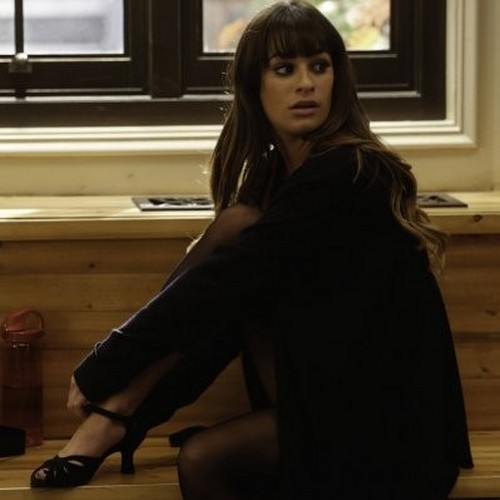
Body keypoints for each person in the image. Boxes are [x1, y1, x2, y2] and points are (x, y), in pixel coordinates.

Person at [30, 1, 473, 498]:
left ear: (338, 80)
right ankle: (121, 416)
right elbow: (223, 302)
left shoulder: (350, 172)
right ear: (252, 85)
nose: (306, 84)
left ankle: (118, 415)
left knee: (204, 457)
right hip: (329, 395)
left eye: (319, 67)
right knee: (238, 233)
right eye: (284, 69)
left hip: (391, 427)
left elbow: (224, 281)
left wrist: (106, 366)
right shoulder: (276, 176)